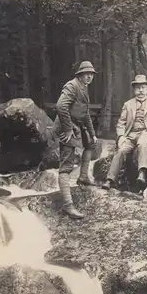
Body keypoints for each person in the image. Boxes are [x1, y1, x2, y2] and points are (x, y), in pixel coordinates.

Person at [50, 61, 98, 219]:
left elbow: (85, 113)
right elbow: (60, 106)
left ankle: (83, 176)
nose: (89, 76)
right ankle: (68, 206)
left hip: (78, 125)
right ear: (79, 74)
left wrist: (92, 133)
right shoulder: (72, 86)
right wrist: (69, 129)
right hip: (68, 127)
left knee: (91, 144)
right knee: (66, 167)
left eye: (91, 74)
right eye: (86, 73)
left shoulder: (84, 88)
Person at [102, 75, 147, 190]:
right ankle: (110, 179)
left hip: (145, 132)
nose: (141, 90)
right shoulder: (128, 104)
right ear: (134, 90)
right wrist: (121, 136)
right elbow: (121, 123)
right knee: (121, 151)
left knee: (142, 144)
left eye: (143, 87)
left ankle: (142, 173)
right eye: (138, 88)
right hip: (130, 134)